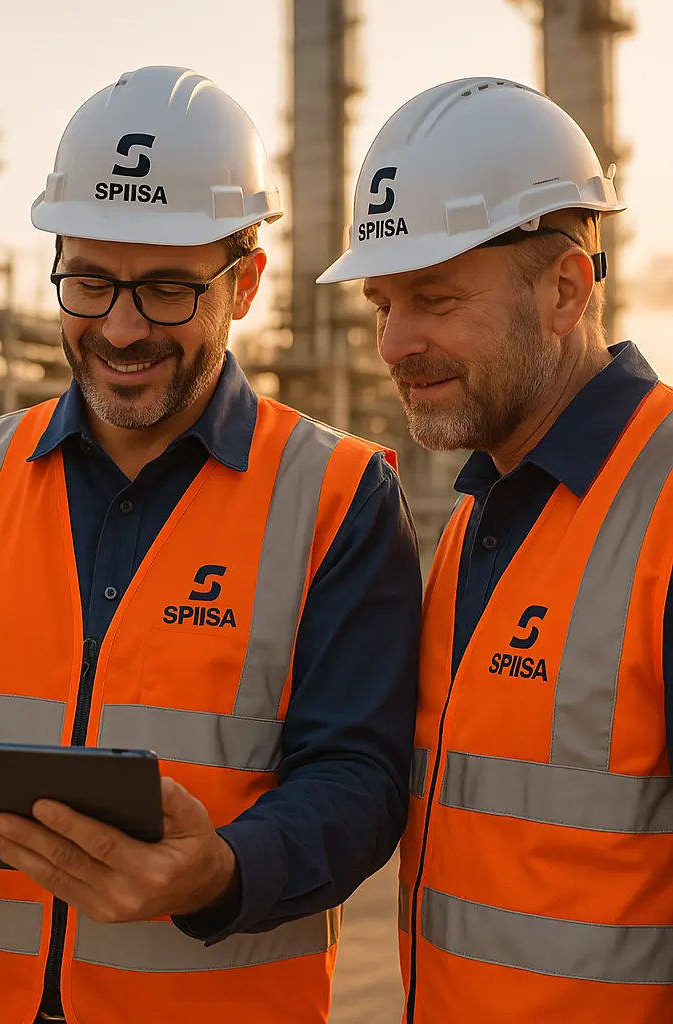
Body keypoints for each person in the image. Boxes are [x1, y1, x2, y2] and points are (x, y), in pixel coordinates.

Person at [0, 65, 422, 1024]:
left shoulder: (340, 496)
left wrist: (222, 870)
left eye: (167, 291)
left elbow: (360, 777)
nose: (121, 328)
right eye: (91, 282)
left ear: (246, 282)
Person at [319, 76, 673, 1023]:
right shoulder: (479, 523)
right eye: (381, 304)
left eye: (433, 298)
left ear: (565, 290)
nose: (395, 343)